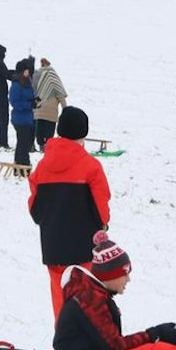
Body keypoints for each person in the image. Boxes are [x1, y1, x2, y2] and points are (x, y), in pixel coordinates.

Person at [28, 108, 110, 317]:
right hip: (84, 248)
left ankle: (65, 346)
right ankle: (86, 347)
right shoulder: (91, 166)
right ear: (83, 134)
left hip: (53, 246)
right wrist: (103, 225)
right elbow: (102, 208)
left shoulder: (42, 166)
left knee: (60, 301)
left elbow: (35, 209)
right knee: (87, 303)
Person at [32, 56, 68, 151]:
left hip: (39, 110)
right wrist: (65, 109)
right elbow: (60, 94)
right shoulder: (53, 76)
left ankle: (41, 146)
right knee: (49, 133)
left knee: (39, 132)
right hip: (52, 112)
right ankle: (47, 148)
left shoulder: (37, 75)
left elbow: (33, 89)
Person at [8, 58, 38, 166]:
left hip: (27, 118)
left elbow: (30, 96)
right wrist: (28, 105)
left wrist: (35, 101)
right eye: (26, 70)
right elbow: (15, 102)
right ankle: (22, 164)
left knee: (24, 143)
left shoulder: (27, 83)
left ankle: (21, 164)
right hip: (20, 119)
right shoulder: (16, 85)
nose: (28, 72)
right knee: (22, 143)